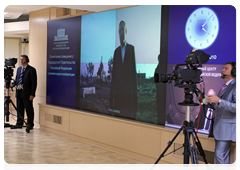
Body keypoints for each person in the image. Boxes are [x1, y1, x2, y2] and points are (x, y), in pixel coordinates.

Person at [207, 62, 238, 170]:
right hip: (220, 128)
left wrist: (219, 100)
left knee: (220, 156)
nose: (222, 70)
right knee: (220, 156)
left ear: (234, 72)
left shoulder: (236, 86)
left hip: (226, 129)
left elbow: (237, 107)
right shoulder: (225, 86)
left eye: (226, 68)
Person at [109, 20, 137, 119]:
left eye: (123, 29)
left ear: (126, 31)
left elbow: (133, 74)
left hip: (128, 96)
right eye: (119, 30)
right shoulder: (116, 52)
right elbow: (114, 76)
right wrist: (110, 102)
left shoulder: (131, 49)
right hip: (118, 97)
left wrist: (135, 103)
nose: (121, 32)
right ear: (118, 33)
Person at [11, 55, 37, 129]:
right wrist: (13, 83)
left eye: (23, 59)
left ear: (27, 60)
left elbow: (34, 83)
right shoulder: (19, 69)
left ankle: (30, 125)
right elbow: (17, 79)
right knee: (19, 109)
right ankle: (19, 124)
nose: (21, 61)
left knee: (29, 109)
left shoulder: (31, 70)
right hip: (19, 92)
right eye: (20, 59)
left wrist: (32, 94)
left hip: (27, 93)